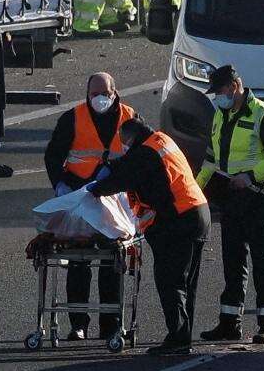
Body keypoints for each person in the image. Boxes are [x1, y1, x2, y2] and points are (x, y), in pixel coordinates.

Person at [89, 117, 210, 354]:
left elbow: (122, 178)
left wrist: (94, 189)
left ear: (132, 138)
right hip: (197, 213)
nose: (122, 145)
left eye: (124, 141)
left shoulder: (145, 154)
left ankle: (178, 338)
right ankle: (183, 337)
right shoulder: (159, 141)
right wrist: (113, 164)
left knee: (170, 281)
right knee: (186, 282)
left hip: (179, 220)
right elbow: (130, 164)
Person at [196, 65, 264, 344]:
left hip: (261, 195)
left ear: (235, 86)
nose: (218, 97)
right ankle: (229, 323)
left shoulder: (263, 114)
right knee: (232, 261)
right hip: (232, 196)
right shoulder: (219, 117)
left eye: (221, 91)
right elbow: (211, 160)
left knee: (263, 260)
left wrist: (249, 177)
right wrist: (195, 190)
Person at [43, 72, 137, 340]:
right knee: (78, 261)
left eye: (103, 94)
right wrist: (60, 186)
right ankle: (78, 324)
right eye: (93, 94)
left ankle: (111, 324)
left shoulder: (130, 118)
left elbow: (141, 156)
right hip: (80, 197)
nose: (99, 99)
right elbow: (53, 156)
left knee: (112, 260)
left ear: (114, 92)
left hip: (114, 199)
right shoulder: (72, 118)